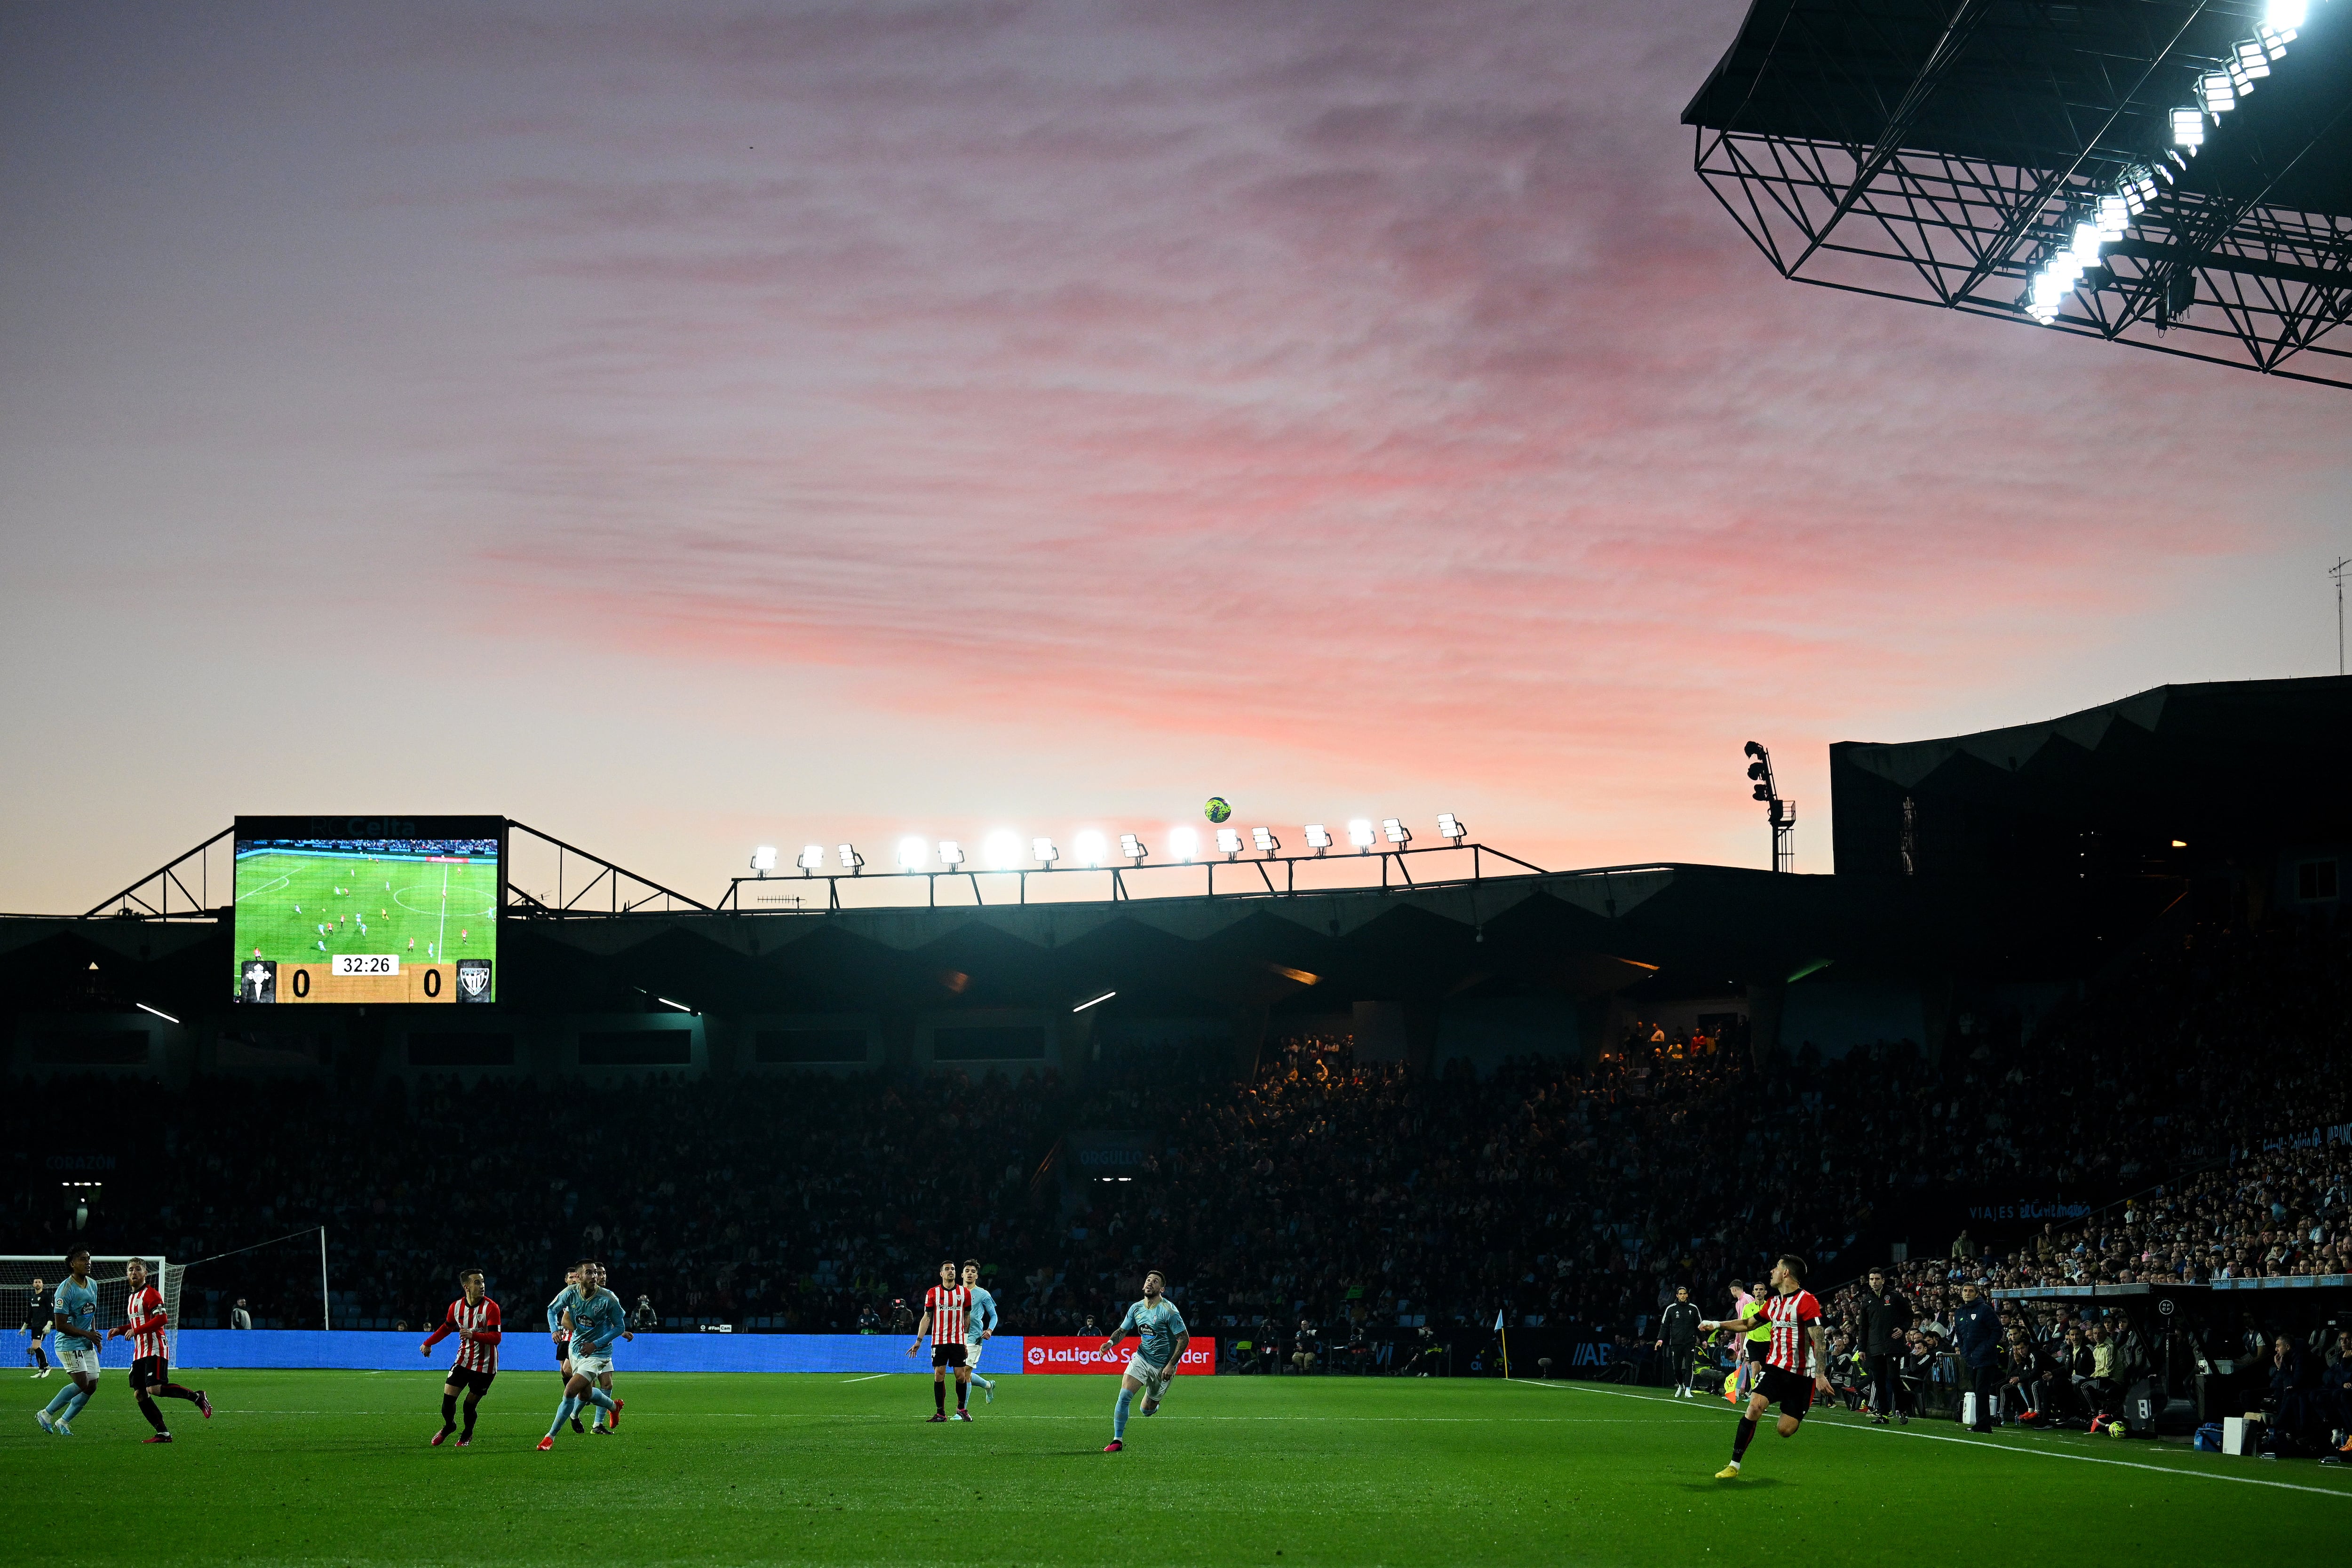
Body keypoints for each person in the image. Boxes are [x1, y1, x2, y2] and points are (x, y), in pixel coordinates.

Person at [1700, 1253, 1830, 1480]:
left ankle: (1792, 1409)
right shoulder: (1774, 1303)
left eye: (1777, 1267)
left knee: (1785, 1430)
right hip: (1775, 1369)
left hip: (1802, 1376)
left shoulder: (1807, 1301)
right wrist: (1717, 1324)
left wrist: (1820, 1375)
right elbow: (1747, 1324)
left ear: (1786, 1273)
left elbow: (1819, 1339)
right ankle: (1734, 1465)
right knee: (1754, 1407)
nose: (1772, 1271)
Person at [110, 1258, 211, 1442]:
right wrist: (121, 1330)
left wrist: (136, 1331)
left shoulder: (151, 1294)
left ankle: (197, 1397)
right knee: (140, 1393)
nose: (134, 1273)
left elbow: (162, 1319)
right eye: (131, 1269)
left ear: (145, 1273)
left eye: (138, 1269)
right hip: (140, 1350)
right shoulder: (132, 1297)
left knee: (154, 1388)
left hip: (155, 1347)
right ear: (127, 1274)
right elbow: (137, 1323)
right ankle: (163, 1433)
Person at [1099, 1268, 1189, 1453]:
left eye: (1156, 1281)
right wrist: (1110, 1342)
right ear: (1143, 1286)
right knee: (1124, 1396)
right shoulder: (1136, 1308)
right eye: (1148, 1280)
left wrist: (1171, 1365)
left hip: (1163, 1366)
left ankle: (1153, 1405)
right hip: (1142, 1358)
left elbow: (1184, 1338)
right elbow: (1122, 1331)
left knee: (1146, 1410)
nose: (1150, 1283)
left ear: (1162, 1289)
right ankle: (1118, 1440)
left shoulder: (1169, 1311)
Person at [538, 1260, 625, 1450]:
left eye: (595, 1273)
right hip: (576, 1348)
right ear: (578, 1277)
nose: (594, 1277)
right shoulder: (570, 1294)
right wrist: (554, 1330)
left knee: (570, 1391)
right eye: (589, 1273)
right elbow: (552, 1310)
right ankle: (613, 1407)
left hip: (598, 1353)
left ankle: (550, 1437)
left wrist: (595, 1344)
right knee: (585, 1394)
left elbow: (620, 1327)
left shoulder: (608, 1299)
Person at [421, 1268, 501, 1448]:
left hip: (485, 1366)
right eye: (477, 1282)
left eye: (482, 1282)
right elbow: (446, 1327)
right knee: (447, 1403)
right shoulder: (456, 1307)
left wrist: (473, 1335)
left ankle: (467, 1434)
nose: (482, 1286)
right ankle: (449, 1426)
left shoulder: (491, 1308)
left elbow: (496, 1338)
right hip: (463, 1361)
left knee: (469, 1407)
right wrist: (428, 1343)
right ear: (467, 1287)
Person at [36, 1250, 103, 1436]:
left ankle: (63, 1422)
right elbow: (61, 1325)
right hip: (68, 1343)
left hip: (85, 1341)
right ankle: (46, 1414)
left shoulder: (93, 1285)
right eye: (83, 1259)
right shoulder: (65, 1290)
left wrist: (93, 1335)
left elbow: (91, 1312)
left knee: (93, 1385)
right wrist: (87, 1335)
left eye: (89, 1258)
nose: (88, 1262)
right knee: (82, 1383)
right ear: (72, 1264)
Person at [906, 1260, 973, 1422]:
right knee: (939, 1374)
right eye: (947, 1269)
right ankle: (940, 1413)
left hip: (957, 1340)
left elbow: (967, 1318)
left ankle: (961, 1409)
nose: (951, 1271)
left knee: (960, 1375)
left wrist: (965, 1341)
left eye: (953, 1269)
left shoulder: (965, 1293)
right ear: (941, 1273)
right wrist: (919, 1340)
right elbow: (927, 1317)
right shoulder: (933, 1293)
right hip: (939, 1340)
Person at [1857, 1267, 1912, 1424]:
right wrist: (1862, 1348)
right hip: (1874, 1347)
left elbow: (1909, 1315)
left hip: (1892, 1345)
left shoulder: (1894, 1297)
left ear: (1883, 1280)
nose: (1874, 1282)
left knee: (1894, 1378)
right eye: (1872, 1279)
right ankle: (1884, 1415)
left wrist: (1903, 1329)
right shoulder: (1866, 1301)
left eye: (1877, 1279)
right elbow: (1863, 1327)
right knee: (1879, 1381)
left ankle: (1902, 1410)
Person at [1949, 1280, 2002, 1432]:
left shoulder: (1985, 1310)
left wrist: (1985, 1349)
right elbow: (1959, 1335)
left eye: (1971, 1291)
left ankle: (1984, 1424)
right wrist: (1965, 1352)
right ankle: (1983, 1423)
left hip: (1986, 1358)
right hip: (1970, 1358)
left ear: (1977, 1294)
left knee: (1982, 1390)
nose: (1967, 1294)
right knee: (1978, 1390)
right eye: (1965, 1291)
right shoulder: (1959, 1313)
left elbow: (1997, 1331)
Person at [547, 1266, 586, 1434]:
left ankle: (576, 1398)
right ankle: (575, 1400)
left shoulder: (581, 1294)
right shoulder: (565, 1295)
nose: (573, 1280)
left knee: (568, 1369)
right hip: (565, 1339)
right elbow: (552, 1311)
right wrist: (554, 1329)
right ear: (566, 1280)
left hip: (577, 1339)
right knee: (564, 1372)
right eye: (570, 1278)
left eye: (575, 1277)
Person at [1655, 1284, 1703, 1398]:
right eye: (1680, 1294)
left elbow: (1699, 1326)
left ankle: (1688, 1390)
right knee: (1677, 1368)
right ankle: (1681, 1386)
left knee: (1689, 1365)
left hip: (1689, 1342)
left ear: (1687, 1295)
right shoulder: (1671, 1309)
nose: (1682, 1296)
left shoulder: (1693, 1308)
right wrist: (1660, 1339)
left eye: (1684, 1294)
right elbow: (1664, 1326)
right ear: (1677, 1296)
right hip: (1676, 1343)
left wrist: (1703, 1340)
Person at [961, 1260, 998, 1404]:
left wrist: (990, 1330)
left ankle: (961, 1411)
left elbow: (994, 1316)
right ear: (962, 1274)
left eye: (973, 1272)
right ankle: (988, 1385)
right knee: (962, 1374)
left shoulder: (983, 1294)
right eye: (968, 1271)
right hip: (958, 1337)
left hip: (975, 1338)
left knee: (965, 1373)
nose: (970, 1273)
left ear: (977, 1276)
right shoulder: (956, 1293)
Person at [22, 1276, 50, 1377]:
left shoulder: (46, 1296)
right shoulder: (33, 1297)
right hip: (34, 1326)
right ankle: (41, 1370)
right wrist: (24, 1327)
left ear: (42, 1285)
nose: (38, 1284)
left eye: (39, 1282)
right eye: (36, 1282)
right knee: (38, 1347)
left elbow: (51, 1311)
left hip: (42, 1326)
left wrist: (49, 1324)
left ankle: (47, 1367)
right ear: (33, 1285)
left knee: (35, 1347)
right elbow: (30, 1313)